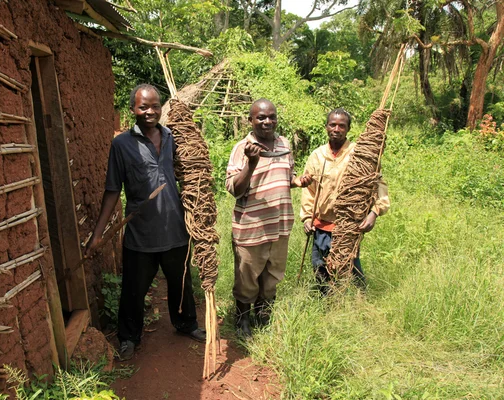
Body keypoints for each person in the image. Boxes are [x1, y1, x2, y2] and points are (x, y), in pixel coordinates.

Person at [85, 84, 205, 361]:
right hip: (141, 234)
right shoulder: (122, 145)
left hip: (176, 229)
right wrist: (98, 234)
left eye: (154, 106)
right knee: (133, 290)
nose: (150, 112)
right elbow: (113, 190)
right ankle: (128, 337)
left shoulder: (174, 138)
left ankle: (187, 324)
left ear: (161, 108)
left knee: (181, 282)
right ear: (133, 110)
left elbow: (192, 178)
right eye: (143, 107)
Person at [225, 98, 309, 338]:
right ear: (250, 120)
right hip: (252, 227)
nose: (267, 121)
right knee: (247, 278)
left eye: (271, 116)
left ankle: (263, 317)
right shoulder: (243, 148)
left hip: (280, 225)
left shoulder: (283, 144)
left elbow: (286, 176)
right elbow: (234, 189)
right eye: (261, 117)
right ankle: (242, 321)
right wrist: (251, 164)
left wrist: (298, 181)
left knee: (272, 277)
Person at [300, 108, 390, 293]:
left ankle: (357, 302)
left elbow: (378, 184)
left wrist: (375, 212)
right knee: (320, 267)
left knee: (349, 267)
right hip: (321, 224)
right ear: (326, 127)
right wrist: (307, 218)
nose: (337, 129)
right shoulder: (317, 156)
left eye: (342, 125)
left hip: (348, 224)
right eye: (333, 124)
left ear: (348, 129)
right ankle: (325, 304)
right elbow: (309, 191)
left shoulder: (359, 155)